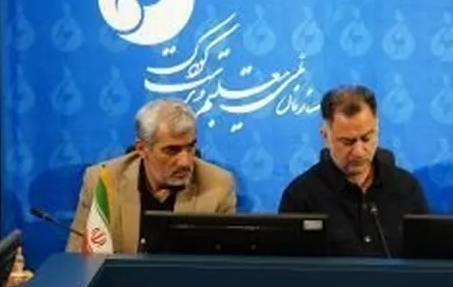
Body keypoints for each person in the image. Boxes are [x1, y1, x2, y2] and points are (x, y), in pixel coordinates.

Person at [67, 99, 237, 254]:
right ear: (142, 149)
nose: (185, 162)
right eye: (171, 150)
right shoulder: (102, 181)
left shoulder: (218, 185)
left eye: (190, 147)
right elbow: (76, 258)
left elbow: (224, 264)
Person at [279, 85, 428, 257]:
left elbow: (425, 259)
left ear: (377, 130)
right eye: (347, 142)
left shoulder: (406, 188)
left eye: (366, 138)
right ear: (325, 136)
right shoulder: (301, 196)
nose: (358, 152)